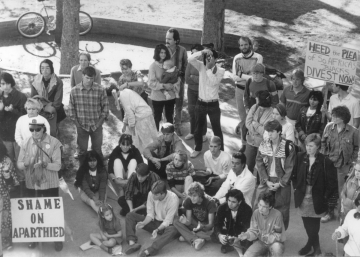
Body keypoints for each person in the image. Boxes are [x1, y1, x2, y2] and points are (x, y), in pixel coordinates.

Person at [17, 116, 63, 251]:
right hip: (32, 184)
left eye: (38, 129)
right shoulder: (25, 143)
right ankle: (33, 237)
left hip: (50, 183)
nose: (35, 132)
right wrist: (25, 163)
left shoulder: (54, 143)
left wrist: (45, 164)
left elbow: (58, 166)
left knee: (52, 211)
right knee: (33, 212)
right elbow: (19, 164)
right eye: (31, 129)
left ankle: (56, 237)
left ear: (44, 129)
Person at [292, 133, 337, 256]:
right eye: (307, 145)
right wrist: (296, 188)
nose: (308, 148)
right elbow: (294, 175)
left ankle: (315, 249)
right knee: (306, 223)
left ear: (318, 146)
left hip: (317, 197)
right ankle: (312, 246)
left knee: (314, 226)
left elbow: (332, 183)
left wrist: (325, 197)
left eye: (311, 146)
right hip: (302, 195)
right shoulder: (300, 156)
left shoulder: (325, 161)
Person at [320, 105, 359, 222]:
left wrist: (352, 162)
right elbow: (323, 142)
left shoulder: (353, 132)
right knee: (329, 188)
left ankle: (343, 216)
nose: (333, 117)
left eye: (335, 116)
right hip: (329, 163)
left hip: (344, 166)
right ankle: (329, 212)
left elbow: (357, 148)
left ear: (342, 119)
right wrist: (324, 156)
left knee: (342, 191)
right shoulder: (329, 127)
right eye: (333, 115)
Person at [255, 120, 296, 230]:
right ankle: (261, 230)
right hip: (267, 179)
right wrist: (265, 180)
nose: (269, 134)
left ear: (279, 132)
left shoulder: (288, 146)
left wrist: (281, 183)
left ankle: (279, 233)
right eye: (268, 132)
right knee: (260, 205)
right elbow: (259, 162)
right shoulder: (264, 144)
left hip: (282, 181)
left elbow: (290, 167)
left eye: (272, 131)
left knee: (282, 207)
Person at [124, 180, 179, 257]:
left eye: (156, 195)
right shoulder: (151, 194)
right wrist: (144, 223)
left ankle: (149, 251)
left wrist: (157, 229)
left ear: (162, 193)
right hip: (155, 221)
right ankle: (132, 243)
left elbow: (168, 221)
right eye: (152, 193)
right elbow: (150, 213)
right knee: (130, 215)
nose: (153, 196)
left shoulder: (173, 199)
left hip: (168, 225)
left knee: (173, 230)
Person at [188, 48, 225, 157]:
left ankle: (221, 150)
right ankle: (197, 148)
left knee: (216, 129)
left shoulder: (220, 70)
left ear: (215, 58)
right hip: (201, 103)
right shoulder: (200, 66)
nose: (208, 58)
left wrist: (208, 68)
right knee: (198, 128)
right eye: (207, 56)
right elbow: (190, 59)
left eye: (211, 56)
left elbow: (214, 81)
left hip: (213, 104)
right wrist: (202, 51)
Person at [68, 66, 109, 164]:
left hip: (96, 126)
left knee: (97, 150)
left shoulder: (100, 90)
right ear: (82, 76)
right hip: (82, 126)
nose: (89, 81)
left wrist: (99, 124)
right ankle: (82, 172)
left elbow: (106, 108)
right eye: (87, 78)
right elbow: (71, 110)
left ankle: (100, 170)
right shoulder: (74, 91)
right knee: (82, 151)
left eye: (91, 78)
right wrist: (78, 125)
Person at [14, 98, 51, 197]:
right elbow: (17, 135)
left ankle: (41, 193)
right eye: (29, 108)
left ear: (38, 110)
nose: (31, 111)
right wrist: (23, 146)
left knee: (39, 172)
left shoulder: (43, 120)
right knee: (26, 171)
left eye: (33, 109)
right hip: (25, 149)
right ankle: (29, 195)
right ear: (26, 108)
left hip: (40, 149)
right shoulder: (21, 119)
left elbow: (47, 136)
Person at [232, 36, 263, 152]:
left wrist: (241, 75)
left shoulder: (258, 57)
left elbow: (256, 77)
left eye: (245, 44)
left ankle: (255, 143)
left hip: (252, 91)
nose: (243, 47)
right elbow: (234, 76)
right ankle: (244, 143)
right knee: (243, 118)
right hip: (239, 90)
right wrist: (243, 76)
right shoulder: (236, 58)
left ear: (250, 45)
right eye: (241, 45)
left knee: (254, 118)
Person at [70, 52, 101, 159]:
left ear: (89, 61)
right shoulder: (74, 70)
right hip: (79, 96)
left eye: (85, 60)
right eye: (81, 60)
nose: (83, 62)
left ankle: (95, 151)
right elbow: (72, 84)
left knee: (96, 139)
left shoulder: (95, 72)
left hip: (92, 97)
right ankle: (81, 151)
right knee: (81, 134)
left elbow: (98, 88)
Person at [238, 191, 286, 257]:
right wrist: (247, 235)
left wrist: (265, 237)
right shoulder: (256, 213)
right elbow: (253, 230)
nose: (260, 208)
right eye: (260, 205)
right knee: (246, 255)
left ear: (270, 207)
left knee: (277, 248)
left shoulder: (277, 215)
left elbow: (277, 236)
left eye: (264, 206)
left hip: (275, 242)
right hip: (261, 242)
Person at [173, 182, 216, 251]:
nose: (192, 198)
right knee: (176, 220)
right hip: (195, 224)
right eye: (190, 195)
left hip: (205, 227)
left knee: (214, 234)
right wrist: (184, 222)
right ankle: (196, 239)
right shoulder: (189, 200)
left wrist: (202, 227)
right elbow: (189, 222)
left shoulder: (210, 202)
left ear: (200, 195)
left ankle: (190, 236)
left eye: (194, 196)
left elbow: (210, 225)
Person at [148, 44, 180, 131]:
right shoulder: (153, 66)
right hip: (158, 97)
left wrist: (174, 85)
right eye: (161, 52)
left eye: (165, 52)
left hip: (170, 96)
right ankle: (156, 138)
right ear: (157, 53)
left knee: (169, 118)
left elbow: (176, 77)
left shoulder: (170, 64)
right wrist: (163, 85)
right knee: (157, 119)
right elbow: (151, 83)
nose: (163, 54)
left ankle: (169, 139)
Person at [0, 72, 27, 172]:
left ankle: (23, 181)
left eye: (7, 83)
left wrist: (13, 110)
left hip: (18, 134)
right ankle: (13, 182)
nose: (5, 86)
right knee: (8, 160)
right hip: (5, 135)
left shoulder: (20, 96)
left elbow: (26, 116)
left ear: (11, 83)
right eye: (2, 84)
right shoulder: (0, 97)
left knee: (21, 160)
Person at [214, 189, 253, 255]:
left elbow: (247, 227)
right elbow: (217, 224)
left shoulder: (247, 209)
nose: (230, 204)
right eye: (229, 200)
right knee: (214, 236)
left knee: (248, 243)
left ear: (239, 202)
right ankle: (229, 244)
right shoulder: (222, 207)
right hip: (228, 231)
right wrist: (220, 235)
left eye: (233, 202)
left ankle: (235, 245)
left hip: (241, 232)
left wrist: (239, 238)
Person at [166, 28, 188, 136]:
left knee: (178, 106)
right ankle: (168, 128)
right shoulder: (163, 50)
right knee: (167, 106)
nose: (167, 41)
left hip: (179, 82)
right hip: (166, 83)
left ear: (176, 40)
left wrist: (180, 74)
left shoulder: (182, 50)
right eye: (166, 38)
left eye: (169, 39)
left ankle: (177, 126)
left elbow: (185, 66)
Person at [245, 90, 274, 172]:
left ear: (262, 100)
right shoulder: (255, 107)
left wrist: (254, 124)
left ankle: (259, 183)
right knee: (248, 166)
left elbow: (265, 131)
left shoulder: (272, 112)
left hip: (262, 144)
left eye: (257, 98)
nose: (255, 99)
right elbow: (247, 123)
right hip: (251, 141)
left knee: (261, 169)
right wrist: (257, 128)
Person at [31, 59, 66, 126]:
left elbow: (58, 101)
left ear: (51, 69)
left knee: (52, 130)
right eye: (42, 68)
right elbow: (33, 98)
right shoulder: (35, 80)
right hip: (39, 107)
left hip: (53, 108)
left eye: (47, 68)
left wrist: (51, 110)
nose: (44, 70)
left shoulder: (58, 82)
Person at [185, 44, 207, 142]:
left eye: (196, 53)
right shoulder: (190, 63)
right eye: (192, 53)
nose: (194, 55)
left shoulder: (205, 63)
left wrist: (193, 77)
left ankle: (203, 133)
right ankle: (192, 132)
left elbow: (205, 79)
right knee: (191, 112)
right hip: (191, 91)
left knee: (201, 112)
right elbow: (187, 79)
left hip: (202, 91)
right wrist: (197, 78)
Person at [0, 142, 19, 252]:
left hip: (3, 196)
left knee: (5, 220)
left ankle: (6, 241)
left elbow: (12, 183)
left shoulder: (6, 161)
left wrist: (7, 174)